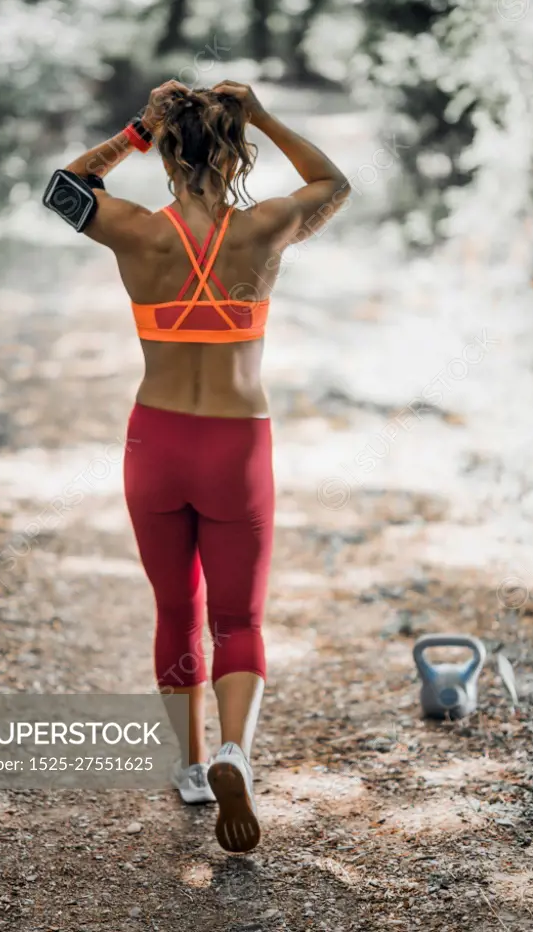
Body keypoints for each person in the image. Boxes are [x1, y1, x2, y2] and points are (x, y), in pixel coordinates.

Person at [64, 79, 349, 853]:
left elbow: (64, 191)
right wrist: (258, 112)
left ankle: (191, 766)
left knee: (173, 609)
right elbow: (333, 182)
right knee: (239, 619)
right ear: (235, 157)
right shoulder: (262, 230)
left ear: (166, 158)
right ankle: (234, 752)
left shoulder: (134, 231)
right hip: (236, 443)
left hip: (155, 442)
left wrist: (136, 128)